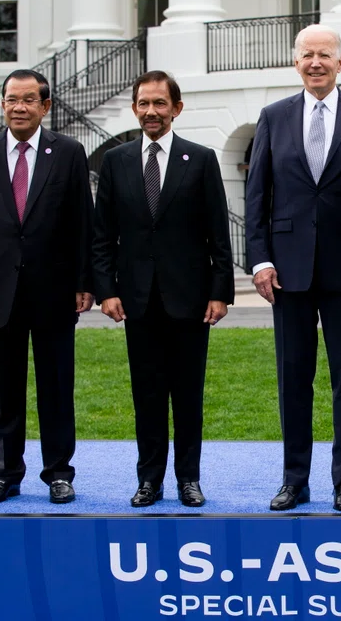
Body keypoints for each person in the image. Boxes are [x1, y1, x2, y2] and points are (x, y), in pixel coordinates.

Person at [245, 24, 341, 512]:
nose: (315, 63)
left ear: (340, 62)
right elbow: (258, 196)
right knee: (293, 377)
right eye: (307, 55)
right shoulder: (273, 116)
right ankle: (295, 479)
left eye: (324, 55)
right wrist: (261, 258)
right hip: (286, 273)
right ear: (296, 62)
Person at [92, 71, 233, 508]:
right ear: (134, 108)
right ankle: (148, 479)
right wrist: (106, 290)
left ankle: (188, 479)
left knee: (188, 395)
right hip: (136, 299)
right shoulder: (115, 162)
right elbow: (102, 235)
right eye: (143, 103)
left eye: (159, 103)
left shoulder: (202, 158)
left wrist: (220, 292)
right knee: (147, 395)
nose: (151, 111)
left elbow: (218, 233)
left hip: (190, 299)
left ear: (176, 108)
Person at [0, 69, 93, 505]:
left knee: (56, 388)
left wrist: (83, 281)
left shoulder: (69, 153)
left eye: (29, 100)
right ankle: (6, 472)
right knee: (4, 391)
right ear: (2, 104)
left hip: (54, 292)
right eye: (11, 99)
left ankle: (58, 472)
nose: (19, 107)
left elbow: (81, 222)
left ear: (45, 106)